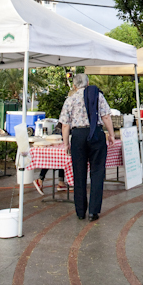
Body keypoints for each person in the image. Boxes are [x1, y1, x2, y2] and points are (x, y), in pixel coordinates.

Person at [59, 73, 115, 221]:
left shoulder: (70, 100)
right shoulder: (97, 96)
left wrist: (66, 144)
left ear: (74, 86)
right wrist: (112, 134)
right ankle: (93, 211)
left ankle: (80, 211)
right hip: (95, 133)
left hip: (78, 136)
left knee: (79, 173)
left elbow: (65, 124)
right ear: (88, 82)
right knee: (97, 172)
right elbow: (106, 116)